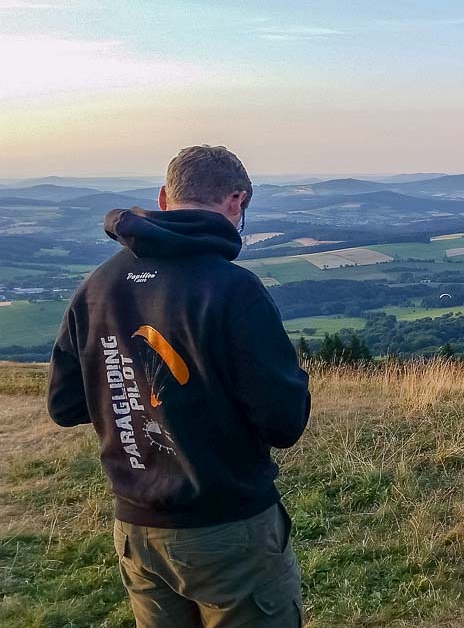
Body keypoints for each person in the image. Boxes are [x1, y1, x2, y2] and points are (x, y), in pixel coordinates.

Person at [47, 145, 311, 627]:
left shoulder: (99, 284)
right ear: (236, 202)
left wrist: (130, 398)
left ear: (164, 197)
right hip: (229, 529)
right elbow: (284, 422)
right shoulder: (233, 289)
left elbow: (66, 405)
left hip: (136, 529)